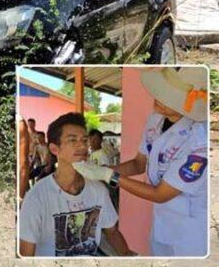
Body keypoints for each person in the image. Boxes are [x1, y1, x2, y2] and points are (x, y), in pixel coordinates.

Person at [74, 67, 209, 257]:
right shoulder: (155, 121)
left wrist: (107, 176)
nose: (157, 95)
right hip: (162, 222)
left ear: (184, 105)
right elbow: (138, 164)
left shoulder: (199, 139)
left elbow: (160, 194)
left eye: (167, 95)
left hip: (189, 232)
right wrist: (100, 169)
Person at [19, 112, 133, 257]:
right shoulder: (36, 197)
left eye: (85, 140)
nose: (82, 146)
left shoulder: (98, 190)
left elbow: (111, 231)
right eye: (72, 140)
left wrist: (128, 256)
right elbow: (26, 254)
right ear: (54, 149)